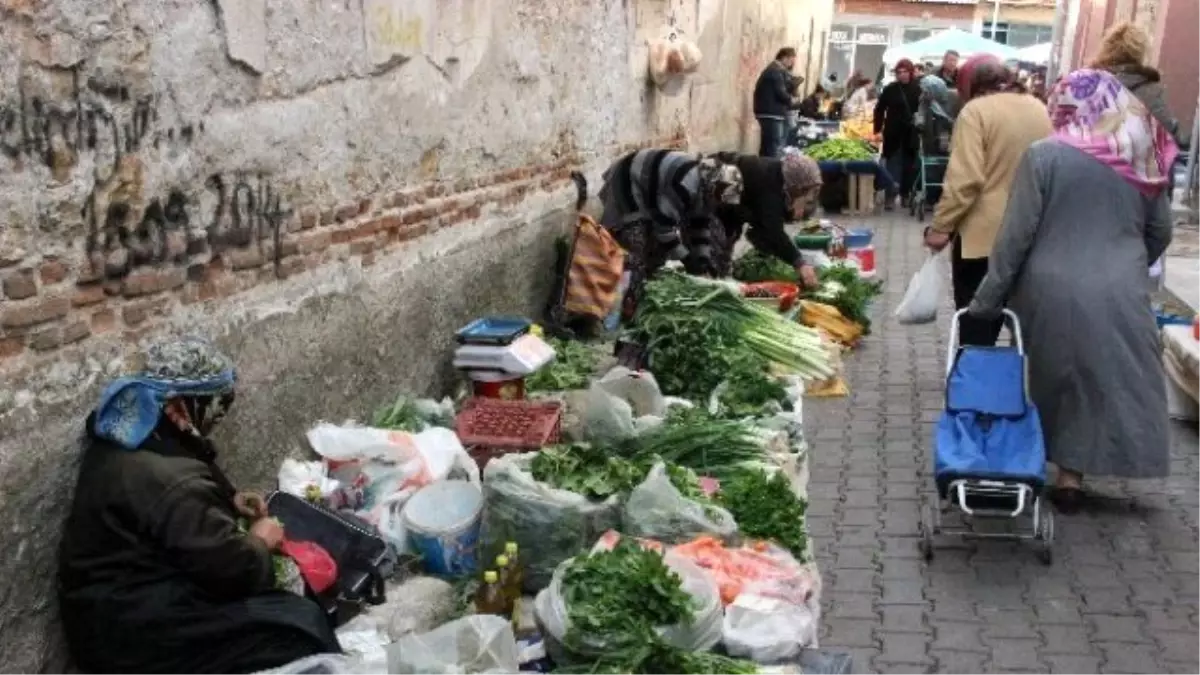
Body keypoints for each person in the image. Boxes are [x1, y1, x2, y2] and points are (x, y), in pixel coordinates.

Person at [58, 337, 341, 674]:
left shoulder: (132, 435)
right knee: (299, 628)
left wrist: (228, 499)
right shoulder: (168, 479)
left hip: (111, 610)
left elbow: (177, 495)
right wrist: (260, 540)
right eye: (215, 405)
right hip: (131, 637)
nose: (219, 416)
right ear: (182, 407)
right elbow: (233, 574)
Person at [965, 69, 1176, 512]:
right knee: (1106, 379)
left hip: (1048, 288)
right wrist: (1128, 260)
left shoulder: (1044, 156)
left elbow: (1016, 235)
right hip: (1120, 287)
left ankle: (1052, 467)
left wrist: (987, 299)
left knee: (1054, 377)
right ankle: (1074, 473)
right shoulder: (1138, 158)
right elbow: (1160, 231)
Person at [924, 56, 1052, 347]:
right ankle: (1022, 385)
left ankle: (977, 385)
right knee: (1025, 329)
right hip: (1034, 235)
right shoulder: (1039, 109)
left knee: (977, 325)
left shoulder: (975, 112)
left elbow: (966, 179)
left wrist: (942, 227)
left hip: (983, 240)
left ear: (971, 85)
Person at [598, 148, 743, 316]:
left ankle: (644, 294)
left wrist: (703, 260)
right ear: (715, 183)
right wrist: (687, 259)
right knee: (635, 243)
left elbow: (700, 223)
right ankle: (622, 303)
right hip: (628, 180)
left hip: (653, 192)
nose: (718, 201)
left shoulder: (705, 188)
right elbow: (663, 227)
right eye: (719, 195)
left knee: (659, 253)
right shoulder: (684, 185)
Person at [708, 150, 823, 287]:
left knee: (721, 261)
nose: (808, 198)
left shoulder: (779, 175)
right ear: (798, 187)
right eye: (806, 193)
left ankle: (716, 278)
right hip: (709, 198)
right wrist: (799, 263)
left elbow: (760, 228)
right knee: (710, 261)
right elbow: (773, 230)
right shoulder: (769, 184)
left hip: (730, 205)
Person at [1090, 21, 1189, 147]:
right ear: (1140, 53)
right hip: (1126, 163)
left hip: (1082, 158)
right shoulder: (1149, 90)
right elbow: (1168, 132)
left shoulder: (1087, 82)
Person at [873, 59, 922, 208]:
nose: (902, 75)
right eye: (899, 72)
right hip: (893, 133)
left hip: (911, 133)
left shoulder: (918, 89)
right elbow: (880, 109)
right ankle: (890, 196)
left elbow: (923, 110)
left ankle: (905, 194)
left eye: (905, 72)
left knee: (909, 166)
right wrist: (877, 129)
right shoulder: (890, 89)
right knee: (892, 165)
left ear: (911, 72)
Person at [754, 48, 802, 158]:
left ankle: (763, 169)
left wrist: (793, 84)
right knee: (773, 145)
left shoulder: (777, 71)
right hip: (771, 113)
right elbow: (780, 92)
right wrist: (792, 100)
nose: (791, 64)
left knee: (768, 145)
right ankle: (770, 171)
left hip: (770, 112)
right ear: (784, 57)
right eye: (791, 60)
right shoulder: (775, 71)